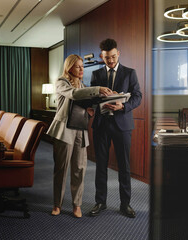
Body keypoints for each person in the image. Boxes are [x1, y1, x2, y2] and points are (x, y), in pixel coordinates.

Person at [46, 54, 112, 218]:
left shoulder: (82, 84)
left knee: (79, 169)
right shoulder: (62, 82)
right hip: (64, 130)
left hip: (81, 130)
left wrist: (97, 106)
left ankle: (77, 205)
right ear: (69, 68)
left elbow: (85, 104)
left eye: (83, 66)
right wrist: (97, 89)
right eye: (78, 67)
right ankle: (57, 204)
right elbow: (75, 95)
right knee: (61, 169)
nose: (82, 69)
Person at [89, 39, 142, 218]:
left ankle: (125, 204)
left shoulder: (129, 73)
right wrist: (97, 96)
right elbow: (91, 99)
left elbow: (137, 97)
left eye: (113, 57)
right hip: (101, 125)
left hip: (122, 125)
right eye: (106, 58)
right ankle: (100, 202)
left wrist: (123, 106)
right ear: (101, 56)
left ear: (118, 53)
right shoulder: (96, 75)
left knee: (124, 166)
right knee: (101, 166)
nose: (110, 61)